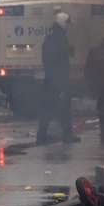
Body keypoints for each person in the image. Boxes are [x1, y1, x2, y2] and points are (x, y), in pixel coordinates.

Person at [36, 12, 80, 145]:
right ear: (62, 23)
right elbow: (58, 60)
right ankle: (64, 136)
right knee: (61, 108)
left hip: (52, 80)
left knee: (52, 109)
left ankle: (43, 136)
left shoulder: (53, 36)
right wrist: (60, 82)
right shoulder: (58, 37)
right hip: (57, 81)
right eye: (67, 23)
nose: (68, 26)